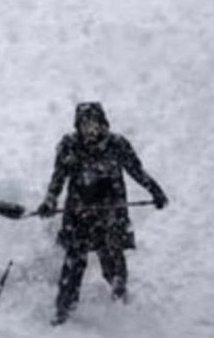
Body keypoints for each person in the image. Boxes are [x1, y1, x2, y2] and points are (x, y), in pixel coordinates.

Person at [36, 102, 168, 325]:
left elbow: (137, 171)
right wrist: (50, 200)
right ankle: (63, 313)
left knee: (114, 264)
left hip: (111, 216)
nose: (90, 129)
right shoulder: (69, 146)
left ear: (103, 124)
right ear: (78, 126)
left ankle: (120, 308)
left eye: (94, 123)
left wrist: (155, 190)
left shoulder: (118, 145)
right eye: (85, 124)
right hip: (78, 216)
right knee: (73, 265)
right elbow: (58, 178)